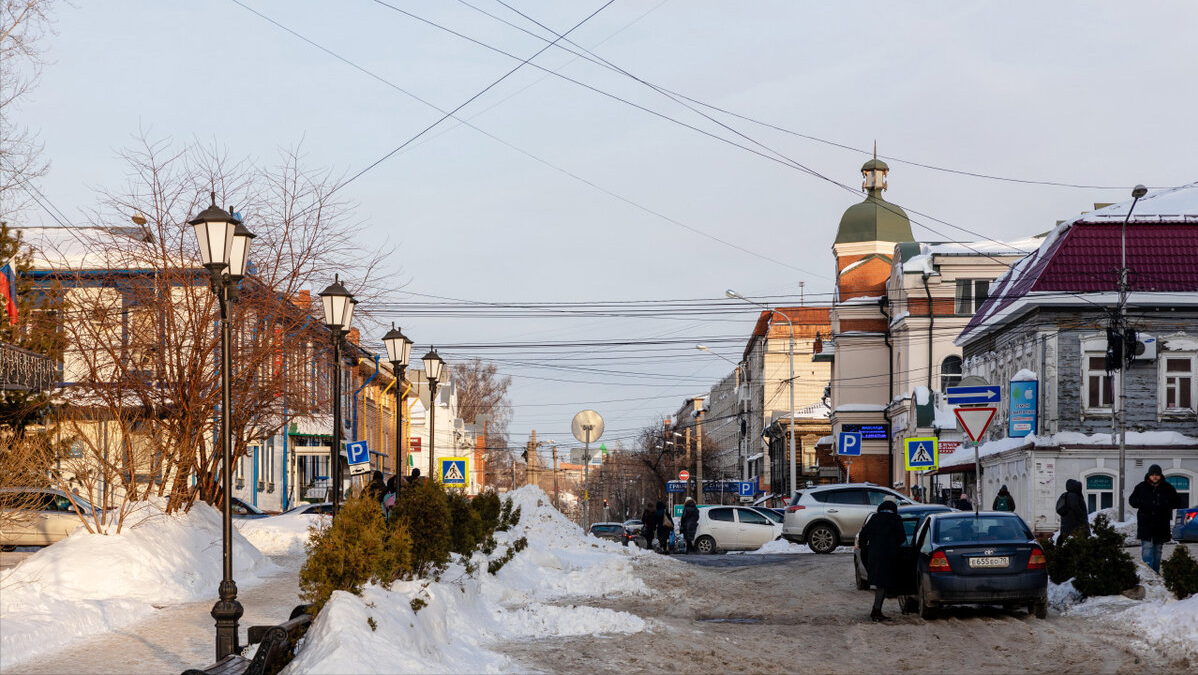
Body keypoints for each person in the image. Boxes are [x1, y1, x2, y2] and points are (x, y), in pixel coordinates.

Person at [857, 499, 906, 622]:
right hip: (889, 556)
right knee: (883, 584)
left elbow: (863, 535)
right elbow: (902, 537)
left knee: (881, 583)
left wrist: (866, 549)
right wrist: (894, 546)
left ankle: (876, 610)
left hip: (875, 555)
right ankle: (876, 611)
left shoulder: (874, 518)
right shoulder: (896, 519)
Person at [1128, 464, 1181, 573]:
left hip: (1161, 524)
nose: (1155, 477)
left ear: (1160, 475)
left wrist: (1166, 504)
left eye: (1157, 475)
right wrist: (1142, 503)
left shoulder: (1168, 488)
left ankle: (1155, 574)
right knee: (1147, 549)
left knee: (1158, 550)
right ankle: (1148, 574)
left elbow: (1178, 501)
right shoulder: (1141, 487)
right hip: (1146, 524)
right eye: (1152, 475)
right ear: (1149, 475)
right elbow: (1132, 500)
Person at [1055, 478, 1089, 545]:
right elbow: (1075, 506)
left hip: (1067, 519)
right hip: (1075, 520)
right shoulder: (1073, 495)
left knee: (1064, 535)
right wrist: (1081, 515)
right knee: (1084, 534)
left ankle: (1058, 549)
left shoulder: (1067, 494)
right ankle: (1084, 550)